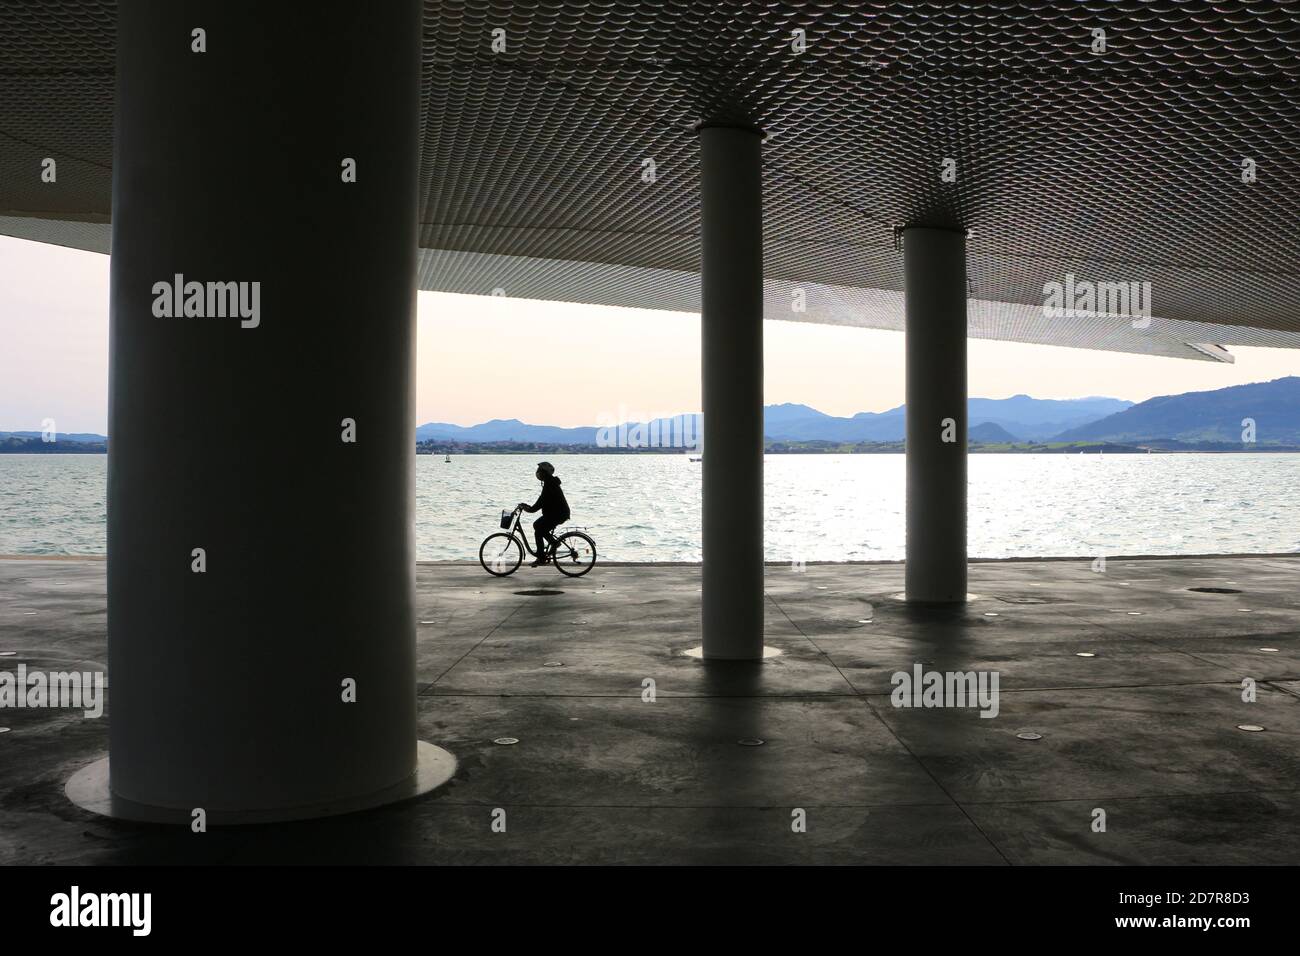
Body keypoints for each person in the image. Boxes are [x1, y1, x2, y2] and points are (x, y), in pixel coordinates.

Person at [518, 461, 570, 567]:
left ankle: (542, 557)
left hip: (558, 514)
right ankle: (553, 543)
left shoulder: (550, 484)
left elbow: (541, 502)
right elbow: (541, 501)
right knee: (538, 526)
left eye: (539, 471)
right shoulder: (549, 483)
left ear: (544, 473)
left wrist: (529, 508)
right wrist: (529, 507)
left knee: (538, 530)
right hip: (556, 513)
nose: (537, 473)